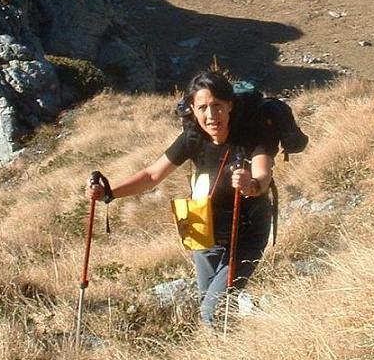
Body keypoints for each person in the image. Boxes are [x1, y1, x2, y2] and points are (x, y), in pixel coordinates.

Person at [86, 70, 276, 328]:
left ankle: (227, 359)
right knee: (209, 305)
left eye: (218, 106)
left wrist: (251, 185)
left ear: (230, 105)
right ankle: (232, 351)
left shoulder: (252, 135)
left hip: (246, 234)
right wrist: (109, 192)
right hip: (204, 231)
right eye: (203, 108)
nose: (211, 116)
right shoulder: (193, 138)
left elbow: (263, 177)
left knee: (213, 310)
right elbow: (152, 175)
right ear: (193, 109)